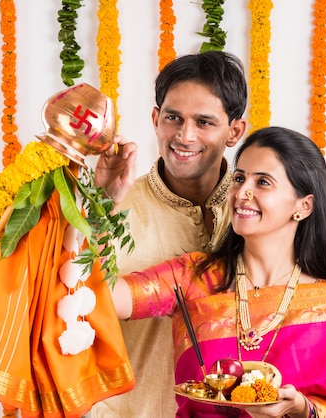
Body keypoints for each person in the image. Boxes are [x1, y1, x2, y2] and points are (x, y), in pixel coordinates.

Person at [93, 126, 326, 417]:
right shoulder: (193, 277)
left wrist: (303, 409)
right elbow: (97, 296)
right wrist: (102, 201)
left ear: (303, 206)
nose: (241, 193)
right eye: (239, 178)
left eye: (262, 182)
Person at [90, 51, 248, 417]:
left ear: (235, 131)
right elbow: (65, 302)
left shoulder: (255, 211)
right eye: (173, 117)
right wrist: (98, 208)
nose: (184, 135)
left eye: (204, 122)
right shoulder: (112, 203)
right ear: (155, 118)